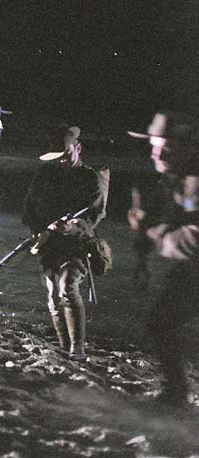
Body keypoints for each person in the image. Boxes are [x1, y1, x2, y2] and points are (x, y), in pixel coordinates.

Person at [127, 112, 199, 407]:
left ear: (190, 147)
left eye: (165, 148)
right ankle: (176, 393)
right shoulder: (179, 178)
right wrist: (142, 252)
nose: (156, 154)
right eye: (154, 147)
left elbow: (194, 239)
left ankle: (176, 394)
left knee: (162, 322)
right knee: (160, 321)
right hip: (192, 271)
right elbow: (177, 219)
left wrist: (154, 234)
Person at [22, 125, 106, 361]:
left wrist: (72, 227)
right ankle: (64, 344)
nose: (62, 161)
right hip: (48, 242)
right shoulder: (45, 173)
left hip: (76, 244)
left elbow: (93, 217)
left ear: (78, 149)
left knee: (67, 288)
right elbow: (30, 204)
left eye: (66, 155)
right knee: (52, 294)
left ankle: (77, 348)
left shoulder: (91, 179)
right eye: (57, 157)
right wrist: (33, 229)